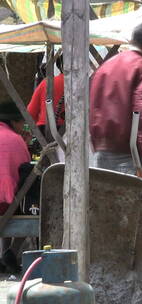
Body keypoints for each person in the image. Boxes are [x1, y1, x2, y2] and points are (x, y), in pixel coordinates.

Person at [89, 22, 142, 185]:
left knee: (105, 207)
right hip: (129, 157)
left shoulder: (105, 67)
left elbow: (93, 108)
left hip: (100, 154)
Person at [0, 102, 31, 273]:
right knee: (29, 202)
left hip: (4, 204)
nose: (23, 126)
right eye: (21, 122)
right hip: (5, 203)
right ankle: (12, 250)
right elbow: (25, 172)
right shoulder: (15, 139)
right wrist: (24, 143)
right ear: (13, 122)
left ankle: (5, 253)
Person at [27, 57, 64, 133]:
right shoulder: (86, 84)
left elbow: (31, 112)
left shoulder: (46, 83)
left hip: (44, 129)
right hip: (77, 130)